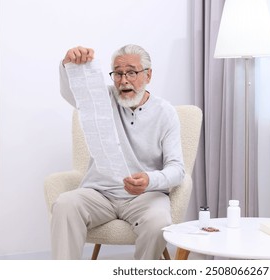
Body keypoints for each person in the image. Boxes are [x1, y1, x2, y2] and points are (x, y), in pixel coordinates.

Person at [51, 44, 185, 259]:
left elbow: (177, 169)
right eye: (118, 73)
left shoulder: (165, 112)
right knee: (65, 204)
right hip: (99, 193)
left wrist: (150, 180)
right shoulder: (102, 99)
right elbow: (71, 93)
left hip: (145, 195)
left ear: (148, 75)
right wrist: (67, 64)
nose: (123, 81)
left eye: (131, 72)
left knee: (158, 222)